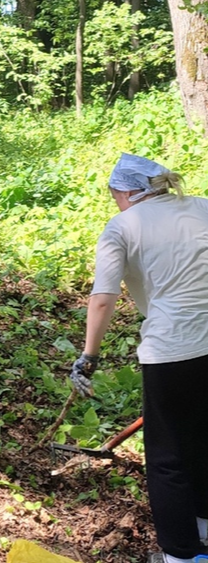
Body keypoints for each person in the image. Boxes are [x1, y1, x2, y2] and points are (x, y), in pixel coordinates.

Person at [70, 153, 208, 563]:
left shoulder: (124, 225)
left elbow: (102, 299)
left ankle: (181, 555)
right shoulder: (203, 206)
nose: (115, 202)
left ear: (129, 192)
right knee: (203, 438)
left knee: (168, 456)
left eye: (115, 195)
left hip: (173, 350)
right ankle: (204, 527)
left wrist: (88, 357)